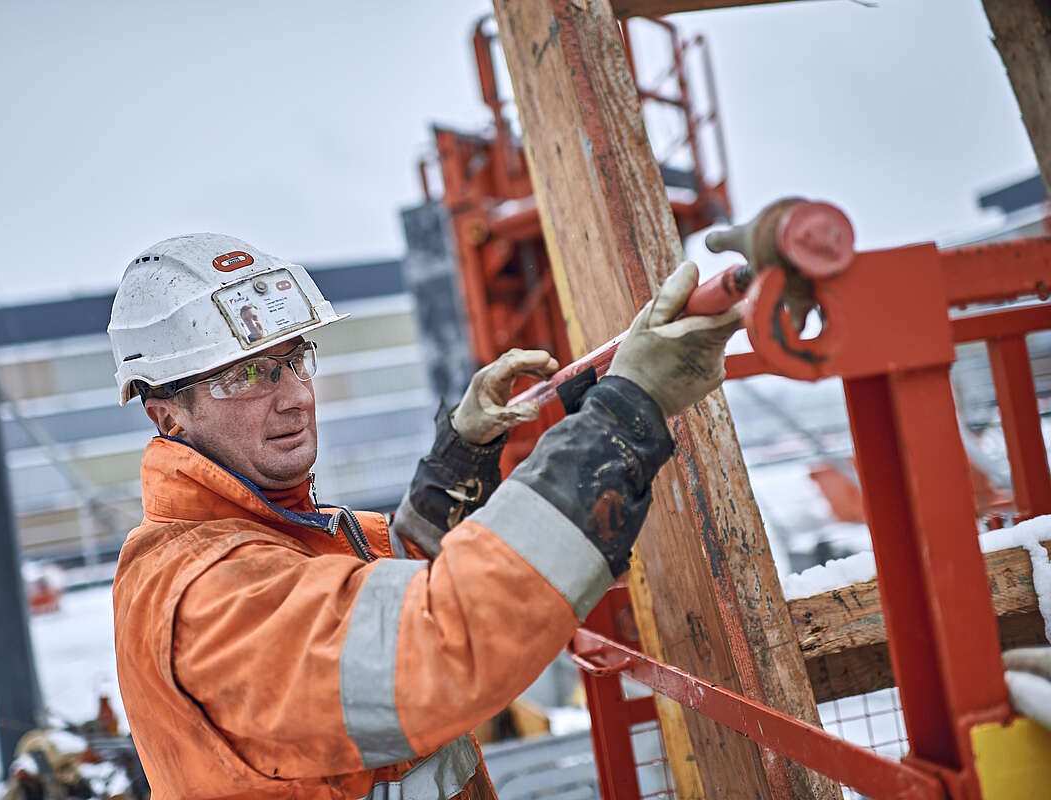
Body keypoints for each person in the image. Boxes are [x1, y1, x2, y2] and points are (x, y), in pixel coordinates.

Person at [108, 233, 742, 799]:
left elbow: (396, 588)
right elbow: (435, 643)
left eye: (296, 360)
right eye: (250, 374)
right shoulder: (205, 594)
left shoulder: (278, 536)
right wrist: (627, 412)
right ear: (168, 415)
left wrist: (461, 455)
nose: (296, 396)